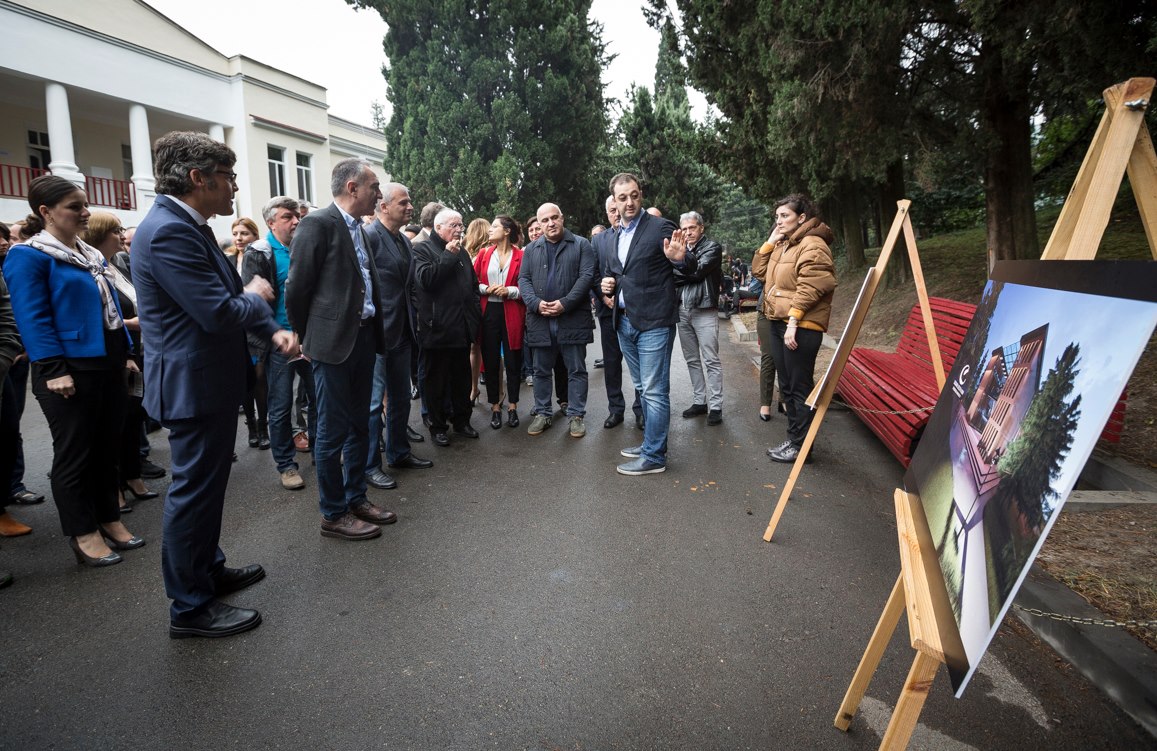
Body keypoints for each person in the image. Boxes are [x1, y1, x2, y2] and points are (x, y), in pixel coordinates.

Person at [134, 131, 293, 637]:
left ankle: (207, 570)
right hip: (193, 386)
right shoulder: (168, 231)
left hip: (208, 381)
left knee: (206, 490)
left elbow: (226, 296)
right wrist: (257, 296)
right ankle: (190, 607)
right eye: (228, 177)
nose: (234, 187)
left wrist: (271, 327)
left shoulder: (188, 225)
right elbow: (218, 309)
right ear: (197, 177)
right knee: (193, 495)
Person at [3, 175, 143, 567]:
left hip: (107, 362)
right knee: (75, 455)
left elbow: (109, 310)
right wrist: (52, 369)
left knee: (107, 448)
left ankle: (109, 519)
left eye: (85, 205)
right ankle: (84, 534)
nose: (85, 213)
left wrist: (125, 353)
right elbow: (32, 318)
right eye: (75, 207)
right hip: (67, 370)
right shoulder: (28, 255)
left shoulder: (89, 253)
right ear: (46, 212)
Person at [286, 158, 396, 541]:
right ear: (352, 187)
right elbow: (297, 288)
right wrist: (307, 337)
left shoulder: (359, 228)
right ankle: (333, 513)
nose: (378, 194)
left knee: (359, 426)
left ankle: (356, 499)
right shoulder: (317, 224)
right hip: (331, 346)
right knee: (332, 432)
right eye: (374, 187)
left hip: (362, 339)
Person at [599, 173, 688, 475]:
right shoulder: (614, 235)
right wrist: (609, 284)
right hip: (624, 322)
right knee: (642, 387)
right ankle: (652, 441)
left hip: (655, 322)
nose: (629, 202)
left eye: (634, 195)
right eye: (622, 197)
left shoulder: (660, 227)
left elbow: (689, 265)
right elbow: (619, 273)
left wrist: (680, 259)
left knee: (653, 391)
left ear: (641, 195)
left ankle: (654, 456)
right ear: (614, 201)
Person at [751, 194, 837, 464]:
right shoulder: (784, 244)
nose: (779, 221)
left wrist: (793, 321)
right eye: (776, 217)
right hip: (780, 322)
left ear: (802, 217)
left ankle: (802, 448)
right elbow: (759, 273)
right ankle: (795, 439)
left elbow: (812, 285)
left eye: (784, 216)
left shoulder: (813, 244)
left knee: (799, 388)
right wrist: (769, 242)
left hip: (800, 326)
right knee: (787, 386)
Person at [81, 212, 158, 513]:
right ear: (99, 234)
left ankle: (132, 475)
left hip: (136, 350)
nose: (122, 235)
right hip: (116, 352)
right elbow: (100, 316)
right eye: (116, 230)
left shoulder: (119, 264)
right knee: (113, 424)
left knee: (134, 416)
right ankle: (113, 487)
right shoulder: (90, 267)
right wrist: (131, 324)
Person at [241, 196, 315, 491]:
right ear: (271, 222)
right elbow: (253, 303)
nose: (296, 221)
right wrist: (272, 337)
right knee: (281, 406)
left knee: (318, 400)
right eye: (287, 217)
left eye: (297, 216)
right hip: (278, 343)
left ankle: (322, 453)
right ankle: (286, 465)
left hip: (309, 341)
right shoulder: (259, 253)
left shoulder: (303, 248)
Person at [363, 183, 433, 491]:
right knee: (372, 404)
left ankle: (399, 453)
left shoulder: (403, 240)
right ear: (384, 207)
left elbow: (409, 286)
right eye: (403, 202)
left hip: (403, 331)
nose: (410, 207)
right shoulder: (368, 237)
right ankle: (369, 465)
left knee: (401, 397)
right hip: (377, 334)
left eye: (410, 201)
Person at [519, 203, 596, 438]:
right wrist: (535, 303)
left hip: (572, 318)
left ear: (562, 218)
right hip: (540, 320)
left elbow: (586, 277)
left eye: (554, 218)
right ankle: (543, 413)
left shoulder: (581, 245)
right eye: (545, 220)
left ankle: (576, 416)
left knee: (576, 370)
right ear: (539, 224)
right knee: (541, 371)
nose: (550, 223)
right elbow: (524, 280)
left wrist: (565, 303)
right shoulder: (531, 250)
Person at [411, 209, 481, 446]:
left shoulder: (462, 251)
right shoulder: (421, 249)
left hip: (462, 328)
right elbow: (426, 280)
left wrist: (474, 315)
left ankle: (462, 421)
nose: (459, 230)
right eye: (454, 225)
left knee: (461, 380)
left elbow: (472, 286)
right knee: (436, 382)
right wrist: (448, 256)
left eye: (461, 225)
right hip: (436, 330)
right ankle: (438, 426)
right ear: (438, 227)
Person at [591, 195, 642, 430]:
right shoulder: (599, 240)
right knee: (612, 362)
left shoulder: (637, 235)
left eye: (617, 209)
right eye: (611, 210)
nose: (616, 213)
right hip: (607, 311)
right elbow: (593, 274)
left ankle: (641, 409)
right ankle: (615, 409)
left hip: (634, 311)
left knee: (639, 364)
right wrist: (603, 297)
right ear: (607, 212)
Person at [472, 215, 525, 430]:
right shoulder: (484, 254)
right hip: (489, 312)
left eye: (494, 226)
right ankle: (495, 407)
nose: (489, 230)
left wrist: (509, 291)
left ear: (507, 231)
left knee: (513, 361)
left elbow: (528, 286)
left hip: (512, 311)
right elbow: (472, 282)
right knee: (491, 361)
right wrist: (486, 289)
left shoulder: (521, 255)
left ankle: (512, 407)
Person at [673, 211, 725, 426]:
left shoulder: (712, 247)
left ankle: (716, 406)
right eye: (684, 229)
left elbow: (697, 272)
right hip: (682, 310)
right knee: (692, 359)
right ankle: (699, 402)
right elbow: (674, 275)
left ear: (701, 228)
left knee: (711, 359)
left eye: (692, 228)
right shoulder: (680, 249)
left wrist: (679, 266)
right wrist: (680, 267)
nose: (688, 232)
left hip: (704, 309)